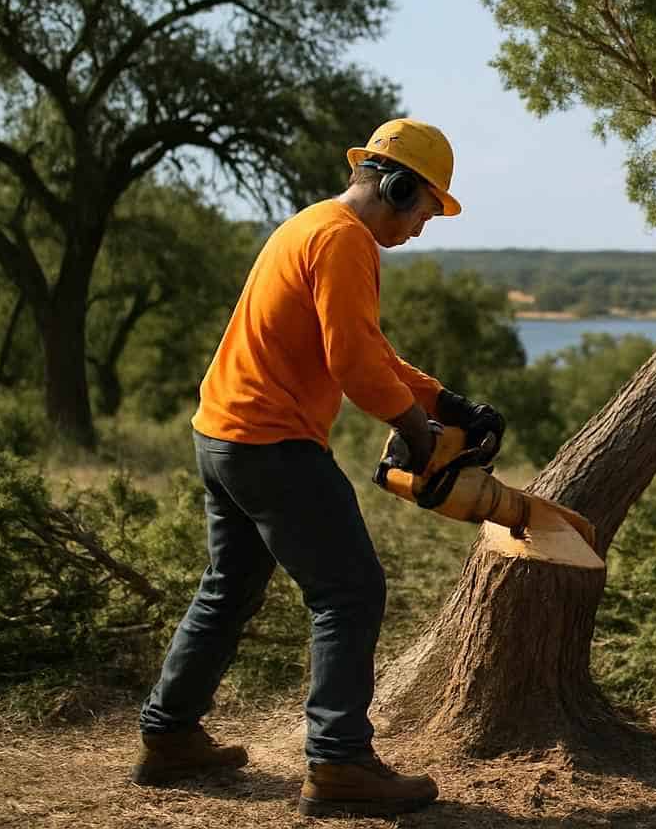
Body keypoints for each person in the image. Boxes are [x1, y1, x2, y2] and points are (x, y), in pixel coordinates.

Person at [131, 118, 504, 818]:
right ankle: (339, 764)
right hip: (272, 443)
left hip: (222, 436)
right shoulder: (343, 241)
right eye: (426, 209)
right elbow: (356, 368)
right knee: (350, 591)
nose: (424, 227)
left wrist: (445, 401)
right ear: (397, 186)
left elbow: (365, 346)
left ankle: (169, 734)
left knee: (228, 589)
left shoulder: (313, 227)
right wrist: (420, 435)